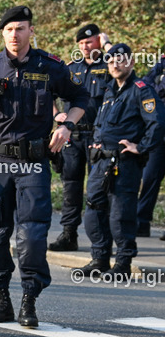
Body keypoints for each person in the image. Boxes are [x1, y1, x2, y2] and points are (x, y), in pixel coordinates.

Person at [0, 6, 89, 328]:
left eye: (21, 28)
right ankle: (2, 298)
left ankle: (30, 300)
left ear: (31, 31)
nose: (15, 34)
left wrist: (67, 124)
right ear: (2, 33)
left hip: (34, 164)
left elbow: (81, 97)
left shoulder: (50, 67)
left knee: (32, 235)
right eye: (10, 29)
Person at [73, 44, 162, 277]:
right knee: (93, 208)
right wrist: (95, 140)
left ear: (131, 63)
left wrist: (140, 147)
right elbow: (100, 123)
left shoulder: (142, 90)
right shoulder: (109, 89)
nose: (114, 65)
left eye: (120, 60)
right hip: (101, 161)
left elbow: (157, 123)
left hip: (124, 163)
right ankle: (100, 258)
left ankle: (122, 262)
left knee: (120, 213)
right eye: (111, 61)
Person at [49, 24, 111, 252]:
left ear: (99, 42)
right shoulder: (69, 69)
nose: (86, 47)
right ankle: (68, 235)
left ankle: (102, 239)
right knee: (71, 186)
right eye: (82, 44)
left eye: (90, 42)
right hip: (73, 136)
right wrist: (57, 115)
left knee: (101, 189)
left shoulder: (110, 66)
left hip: (99, 136)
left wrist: (108, 45)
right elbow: (49, 95)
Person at [137, 55, 165, 239]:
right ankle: (141, 223)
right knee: (149, 180)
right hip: (158, 139)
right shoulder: (157, 76)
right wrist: (160, 64)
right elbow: (144, 82)